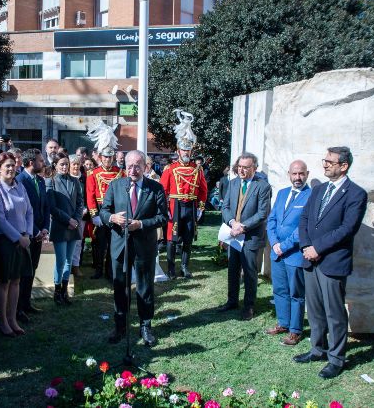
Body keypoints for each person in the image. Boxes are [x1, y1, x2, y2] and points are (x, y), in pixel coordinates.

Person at [293, 147, 367, 379]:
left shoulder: (356, 194)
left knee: (334, 313)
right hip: (310, 259)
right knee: (314, 309)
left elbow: (347, 229)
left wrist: (318, 248)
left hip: (332, 261)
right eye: (324, 160)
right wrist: (306, 246)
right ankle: (318, 349)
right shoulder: (318, 190)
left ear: (343, 166)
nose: (324, 165)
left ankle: (336, 358)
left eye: (329, 161)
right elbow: (304, 219)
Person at [100, 150, 167, 347]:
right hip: (120, 245)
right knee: (120, 287)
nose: (133, 169)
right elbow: (104, 210)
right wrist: (112, 218)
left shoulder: (155, 188)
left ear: (145, 167)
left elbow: (163, 217)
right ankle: (120, 326)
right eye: (129, 165)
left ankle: (145, 326)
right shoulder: (115, 185)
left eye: (137, 165)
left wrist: (141, 224)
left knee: (145, 287)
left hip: (144, 245)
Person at [217, 151, 271, 321]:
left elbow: (263, 213)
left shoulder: (262, 186)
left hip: (251, 237)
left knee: (249, 272)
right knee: (233, 270)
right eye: (239, 167)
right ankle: (232, 301)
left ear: (254, 168)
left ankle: (249, 306)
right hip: (233, 234)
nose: (241, 170)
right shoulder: (232, 184)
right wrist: (233, 222)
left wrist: (243, 227)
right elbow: (225, 207)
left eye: (245, 167)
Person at [0, 152, 34, 337]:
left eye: (13, 165)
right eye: (7, 165)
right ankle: (3, 321)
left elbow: (29, 211)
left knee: (17, 280)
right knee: (4, 282)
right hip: (4, 241)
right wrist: (19, 238)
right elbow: (0, 221)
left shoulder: (19, 186)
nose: (11, 168)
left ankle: (12, 318)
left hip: (22, 239)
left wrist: (28, 234)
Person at [266, 160, 312, 346]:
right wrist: (274, 243)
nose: (298, 177)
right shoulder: (282, 193)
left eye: (301, 174)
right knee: (280, 290)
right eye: (294, 174)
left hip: (294, 254)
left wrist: (284, 246)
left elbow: (303, 227)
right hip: (277, 252)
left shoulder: (311, 196)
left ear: (307, 174)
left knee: (296, 293)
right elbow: (272, 220)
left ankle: (295, 330)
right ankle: (283, 323)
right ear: (289, 174)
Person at [160, 110, 208, 279]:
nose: (186, 153)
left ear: (191, 151)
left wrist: (201, 207)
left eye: (188, 151)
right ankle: (171, 269)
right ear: (178, 151)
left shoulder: (197, 169)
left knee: (188, 239)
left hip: (191, 207)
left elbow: (203, 190)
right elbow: (162, 191)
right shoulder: (170, 169)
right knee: (172, 239)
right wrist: (164, 208)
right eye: (183, 150)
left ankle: (185, 267)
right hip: (175, 206)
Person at [15, 148, 50, 321]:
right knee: (24, 271)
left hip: (38, 234)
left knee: (32, 269)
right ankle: (18, 308)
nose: (43, 163)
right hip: (27, 234)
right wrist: (35, 231)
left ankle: (26, 303)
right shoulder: (20, 181)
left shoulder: (41, 181)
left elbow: (45, 207)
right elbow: (24, 211)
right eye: (41, 160)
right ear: (31, 163)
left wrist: (45, 228)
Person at [47, 153, 84, 304]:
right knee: (61, 260)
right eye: (61, 164)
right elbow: (52, 208)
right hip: (60, 226)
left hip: (73, 225)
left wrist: (75, 219)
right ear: (55, 165)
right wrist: (68, 220)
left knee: (69, 260)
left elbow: (80, 202)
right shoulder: (51, 182)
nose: (64, 167)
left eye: (66, 164)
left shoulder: (75, 181)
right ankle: (56, 292)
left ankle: (64, 291)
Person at [86, 145, 125, 280]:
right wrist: (94, 215)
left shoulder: (120, 173)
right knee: (99, 243)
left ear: (113, 157)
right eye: (105, 157)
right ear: (100, 157)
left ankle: (110, 270)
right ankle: (98, 270)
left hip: (115, 209)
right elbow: (90, 196)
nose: (108, 159)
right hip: (100, 208)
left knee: (113, 241)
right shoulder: (93, 173)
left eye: (110, 157)